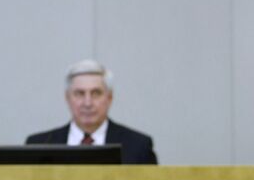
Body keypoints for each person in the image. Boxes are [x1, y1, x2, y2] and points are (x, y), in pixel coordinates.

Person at [26, 60, 157, 164]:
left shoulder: (138, 146)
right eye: (79, 94)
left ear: (109, 98)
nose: (87, 103)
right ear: (67, 98)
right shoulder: (39, 145)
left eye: (96, 93)